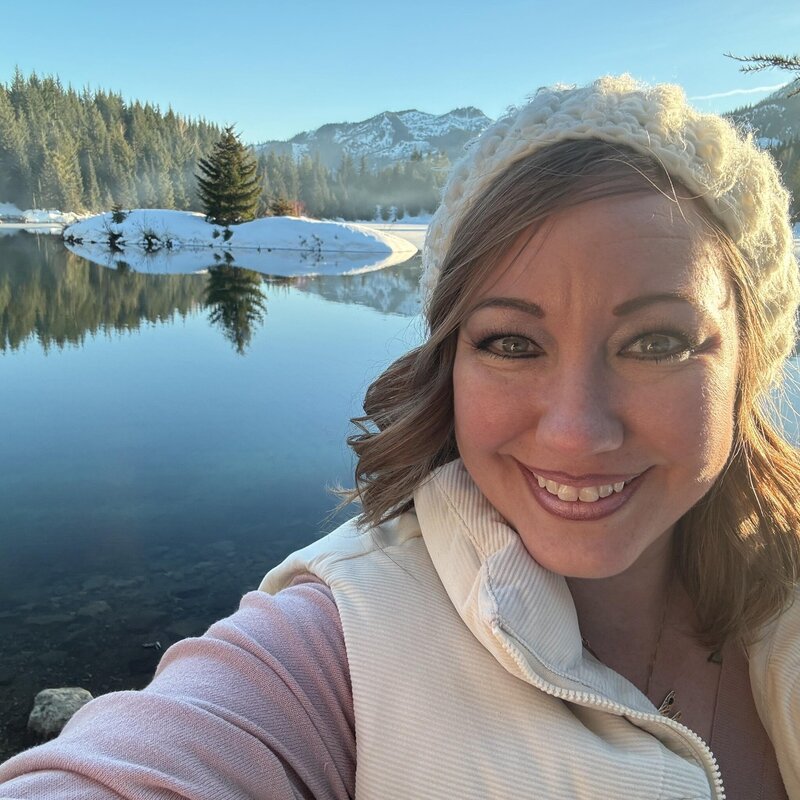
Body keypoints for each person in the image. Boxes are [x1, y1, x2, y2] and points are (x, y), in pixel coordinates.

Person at [1, 75, 799, 799]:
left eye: (656, 343)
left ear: (749, 362)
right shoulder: (345, 639)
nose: (575, 431)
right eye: (512, 343)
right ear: (451, 362)